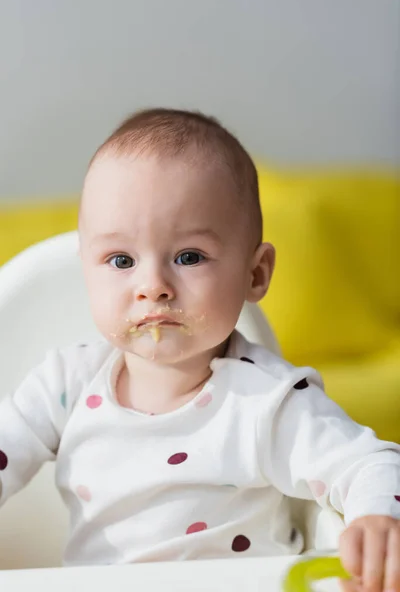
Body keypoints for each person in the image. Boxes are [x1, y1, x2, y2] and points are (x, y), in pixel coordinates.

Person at [0, 109, 398, 591]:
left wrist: (376, 517)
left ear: (255, 274)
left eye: (189, 257)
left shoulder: (268, 401)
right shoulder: (64, 384)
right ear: (86, 270)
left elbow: (369, 463)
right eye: (121, 260)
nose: (153, 286)